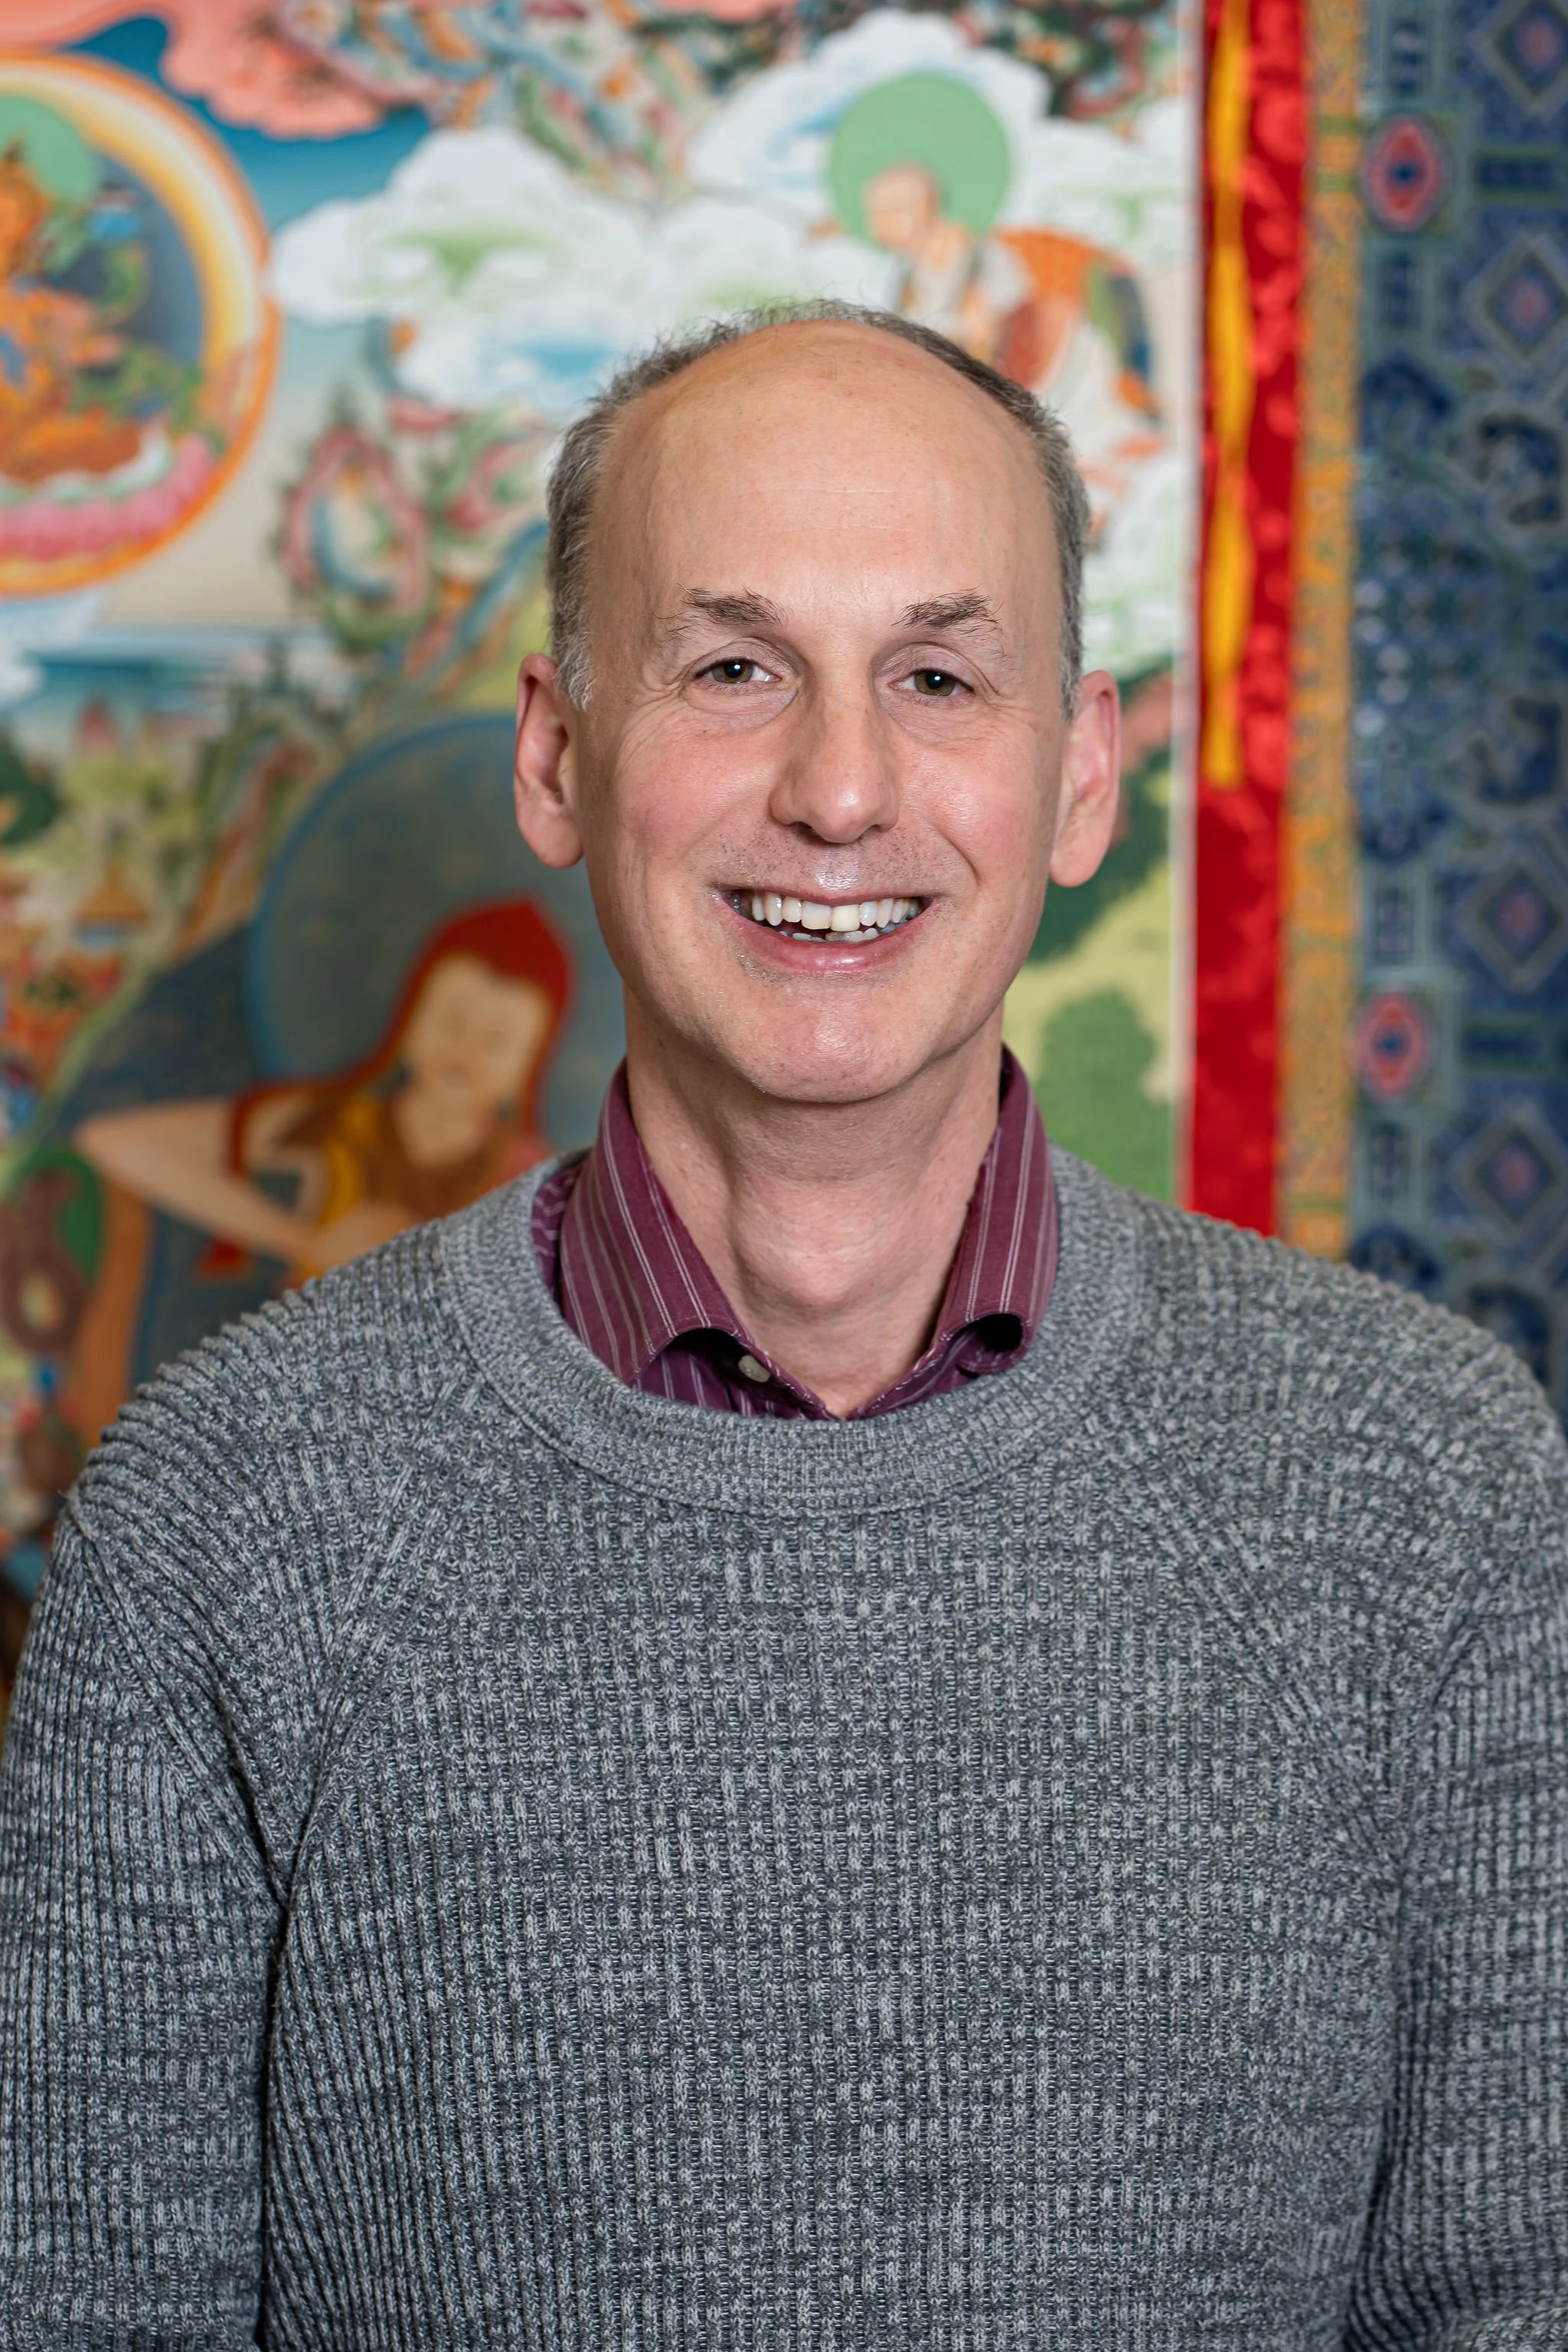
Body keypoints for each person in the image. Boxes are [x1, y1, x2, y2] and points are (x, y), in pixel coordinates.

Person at [0, 299, 1563, 2347]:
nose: (841, 789)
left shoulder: (1430, 1484)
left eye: (938, 674)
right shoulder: (218, 1510)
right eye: (735, 668)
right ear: (561, 757)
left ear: (1078, 776)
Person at [74, 895, 571, 1285]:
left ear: (528, 1065)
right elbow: (114, 1141)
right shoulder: (336, 1121)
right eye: (450, 1020)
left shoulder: (540, 1186)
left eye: (498, 1042)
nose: (465, 1053)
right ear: (410, 1019)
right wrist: (303, 1240)